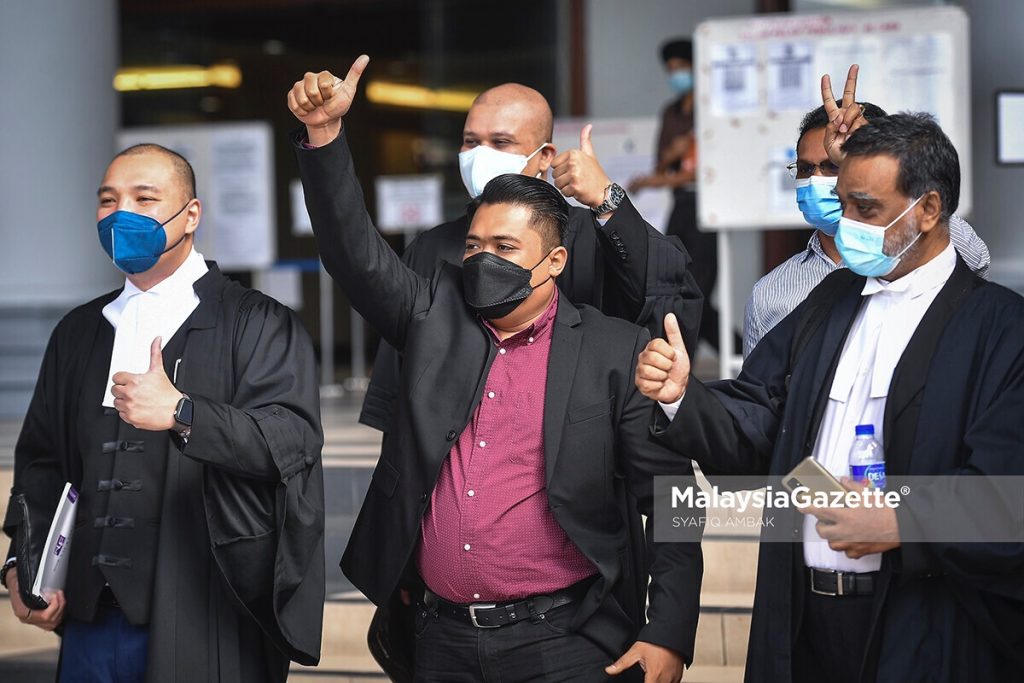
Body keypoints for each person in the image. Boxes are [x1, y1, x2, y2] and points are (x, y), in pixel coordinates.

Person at [289, 56, 702, 683]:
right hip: (441, 638)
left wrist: (669, 630)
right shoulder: (434, 316)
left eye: (506, 250)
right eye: (475, 248)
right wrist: (324, 139)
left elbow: (676, 497)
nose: (484, 262)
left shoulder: (613, 350)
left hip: (568, 639)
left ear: (556, 261)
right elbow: (354, 254)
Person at [636, 110, 1024, 681]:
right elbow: (762, 422)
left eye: (867, 210)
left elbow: (1009, 499)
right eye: (844, 207)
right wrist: (682, 397)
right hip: (802, 617)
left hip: (924, 621)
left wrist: (902, 519)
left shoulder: (1000, 328)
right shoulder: (832, 300)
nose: (848, 227)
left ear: (930, 209)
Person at [2, 144, 325, 682]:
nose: (120, 214)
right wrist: (23, 563)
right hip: (87, 616)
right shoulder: (78, 331)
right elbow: (41, 460)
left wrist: (183, 412)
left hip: (208, 614)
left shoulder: (260, 323)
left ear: (191, 214)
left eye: (144, 198)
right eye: (108, 200)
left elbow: (290, 442)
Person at [359, 79, 703, 434]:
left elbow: (663, 290)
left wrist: (607, 200)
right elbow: (402, 379)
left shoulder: (592, 234)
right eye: (471, 142)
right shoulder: (431, 247)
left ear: (544, 156)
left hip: (575, 444)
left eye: (501, 142)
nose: (480, 154)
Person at [742, 65, 990, 356]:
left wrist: (871, 158)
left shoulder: (914, 257)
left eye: (834, 165)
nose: (816, 180)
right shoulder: (771, 293)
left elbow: (973, 257)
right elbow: (757, 397)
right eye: (806, 168)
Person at [630, 38, 736, 356]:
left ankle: (686, 356)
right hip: (682, 205)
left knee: (697, 290)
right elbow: (660, 163)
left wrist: (664, 174)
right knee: (677, 284)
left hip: (708, 205)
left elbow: (711, 166)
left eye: (682, 68)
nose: (676, 75)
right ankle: (742, 351)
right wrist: (673, 154)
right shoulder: (671, 112)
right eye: (671, 69)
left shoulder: (711, 108)